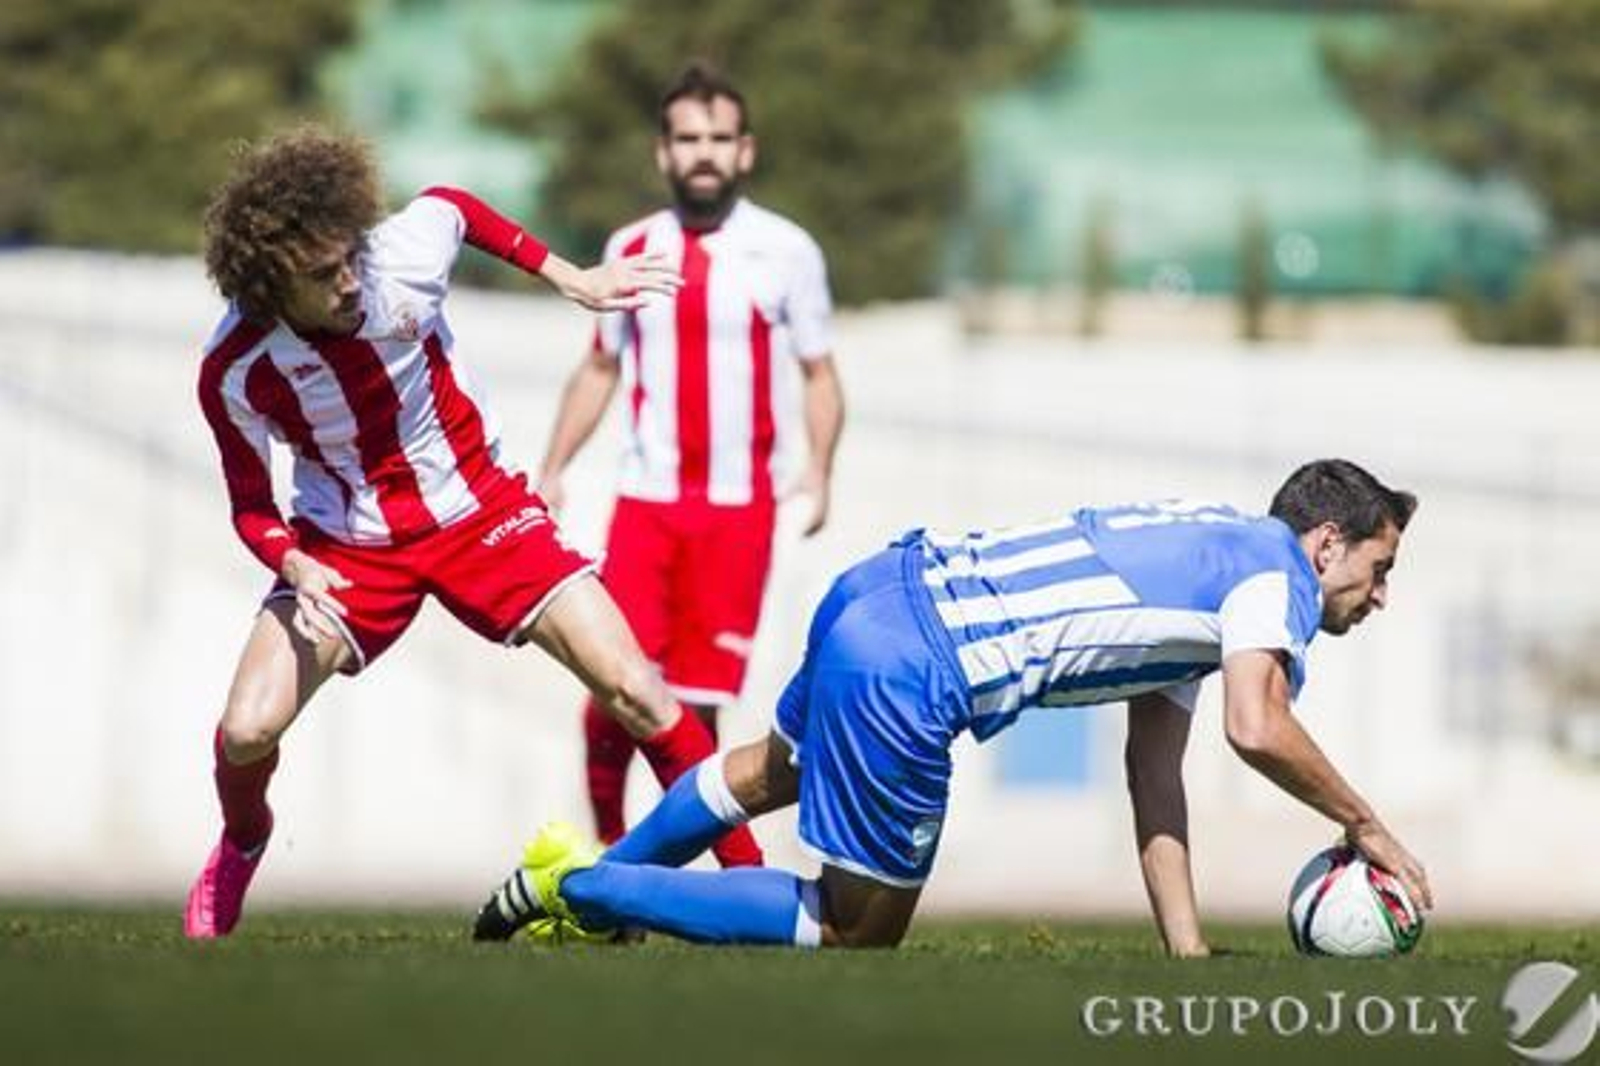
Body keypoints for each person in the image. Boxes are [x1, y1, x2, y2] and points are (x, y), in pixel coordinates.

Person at [473, 459, 1435, 952]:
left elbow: (1155, 774)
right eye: (1379, 568)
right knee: (857, 931)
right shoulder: (1279, 582)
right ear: (1325, 544)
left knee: (774, 770)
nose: (1379, 595)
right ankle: (584, 891)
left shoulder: (1212, 557)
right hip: (918, 668)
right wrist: (1367, 824)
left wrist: (1185, 951)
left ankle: (581, 885)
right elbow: (1257, 728)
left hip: (881, 583)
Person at [186, 125, 761, 939]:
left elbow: (453, 209)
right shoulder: (236, 368)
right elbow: (250, 503)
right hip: (345, 551)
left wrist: (572, 277)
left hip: (484, 516)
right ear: (272, 284)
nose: (350, 280)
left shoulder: (397, 259)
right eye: (323, 274)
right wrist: (295, 566)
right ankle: (244, 840)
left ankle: (755, 888)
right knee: (247, 730)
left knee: (640, 691)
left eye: (350, 255)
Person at [535, 63, 845, 864]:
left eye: (717, 138)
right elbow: (598, 366)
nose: (702, 153)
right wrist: (554, 466)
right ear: (663, 153)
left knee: (698, 709)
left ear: (745, 151)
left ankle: (714, 875)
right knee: (609, 693)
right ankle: (609, 859)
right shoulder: (630, 248)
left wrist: (820, 472)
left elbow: (819, 373)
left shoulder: (786, 251)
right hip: (646, 504)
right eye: (686, 139)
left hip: (740, 511)